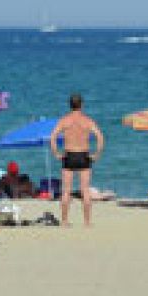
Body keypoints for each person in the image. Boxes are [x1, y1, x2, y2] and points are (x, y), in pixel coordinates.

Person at [48, 93, 105, 227]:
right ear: (81, 105)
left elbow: (53, 137)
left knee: (66, 191)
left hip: (69, 155)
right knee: (85, 190)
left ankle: (64, 221)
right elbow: (100, 137)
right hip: (83, 155)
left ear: (70, 105)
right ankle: (87, 222)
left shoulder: (64, 120)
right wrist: (97, 154)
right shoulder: (87, 121)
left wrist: (56, 153)